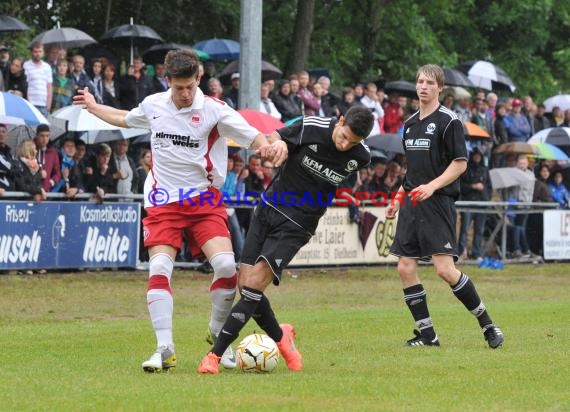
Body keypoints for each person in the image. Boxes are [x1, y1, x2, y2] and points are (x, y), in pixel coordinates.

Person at [73, 49, 287, 373]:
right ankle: (164, 348)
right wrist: (91, 106)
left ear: (199, 79)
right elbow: (123, 117)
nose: (185, 94)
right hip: (163, 202)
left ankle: (218, 334)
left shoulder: (216, 111)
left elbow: (254, 136)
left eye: (190, 86)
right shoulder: (154, 106)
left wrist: (270, 146)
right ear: (168, 81)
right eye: (179, 87)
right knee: (159, 267)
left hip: (203, 201)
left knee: (227, 267)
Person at [197, 106, 375, 374]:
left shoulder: (361, 157)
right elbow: (274, 137)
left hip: (298, 225)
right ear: (339, 121)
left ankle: (214, 356)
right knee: (245, 286)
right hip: (267, 209)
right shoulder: (312, 126)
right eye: (344, 136)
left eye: (353, 142)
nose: (345, 144)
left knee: (254, 286)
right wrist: (276, 145)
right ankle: (282, 338)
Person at [385, 64, 504, 349]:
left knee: (444, 270)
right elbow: (412, 172)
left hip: (437, 203)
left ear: (440, 88)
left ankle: (489, 325)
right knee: (404, 267)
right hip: (413, 202)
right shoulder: (410, 123)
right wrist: (397, 197)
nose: (423, 86)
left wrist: (433, 186)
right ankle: (428, 335)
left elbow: (460, 164)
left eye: (429, 82)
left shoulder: (449, 121)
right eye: (420, 81)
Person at [23, 42, 53, 116]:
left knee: (43, 127)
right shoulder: (26, 65)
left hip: (44, 104)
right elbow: (25, 85)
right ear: (32, 52)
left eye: (40, 51)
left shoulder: (47, 67)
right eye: (35, 51)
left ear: (43, 53)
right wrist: (27, 102)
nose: (37, 54)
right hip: (31, 103)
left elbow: (49, 86)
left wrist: (48, 105)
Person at [34, 124, 61, 193]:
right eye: (42, 136)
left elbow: (57, 173)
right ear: (37, 136)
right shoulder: (30, 149)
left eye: (47, 136)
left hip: (47, 193)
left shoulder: (53, 152)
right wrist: (38, 174)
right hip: (32, 192)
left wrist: (50, 183)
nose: (45, 139)